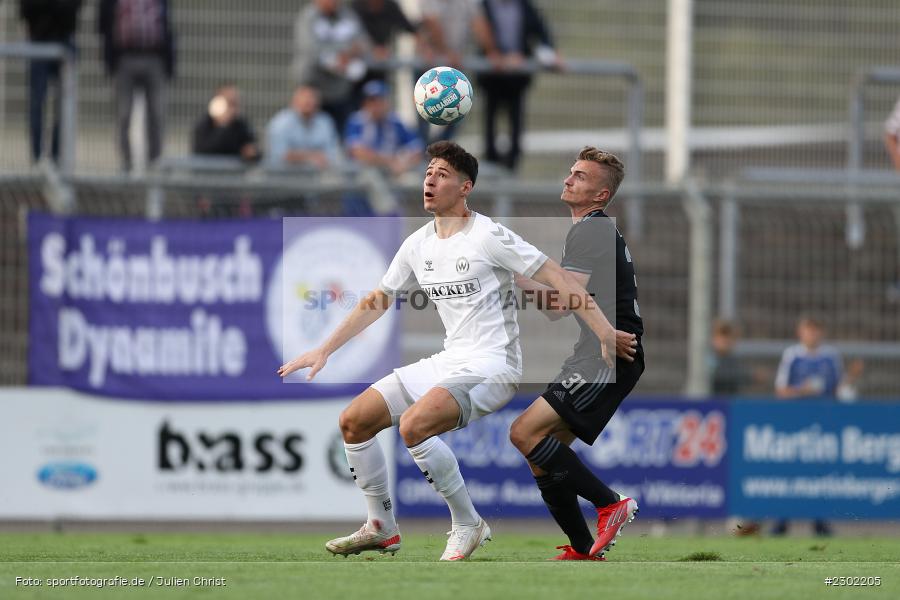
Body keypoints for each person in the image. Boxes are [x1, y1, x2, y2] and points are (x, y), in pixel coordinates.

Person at [278, 141, 618, 561]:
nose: (430, 180)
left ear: (465, 187)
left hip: (495, 365)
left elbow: (558, 277)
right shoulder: (417, 245)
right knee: (354, 422)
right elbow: (377, 300)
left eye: (441, 174)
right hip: (450, 360)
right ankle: (382, 527)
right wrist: (324, 349)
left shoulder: (490, 235)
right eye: (427, 173)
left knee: (415, 426)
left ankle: (467, 524)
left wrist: (604, 331)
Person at [508, 147, 644, 561]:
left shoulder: (589, 230)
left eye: (581, 176)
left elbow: (558, 306)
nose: (569, 179)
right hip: (602, 351)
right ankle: (584, 548)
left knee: (523, 433)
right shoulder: (594, 230)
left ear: (601, 195)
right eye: (571, 172)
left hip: (606, 355)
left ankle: (611, 503)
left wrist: (510, 270)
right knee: (541, 455)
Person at [772, 314, 864, 537]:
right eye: (808, 329)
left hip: (823, 424)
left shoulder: (831, 357)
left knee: (819, 472)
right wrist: (802, 391)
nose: (812, 334)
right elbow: (781, 391)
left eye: (816, 329)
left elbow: (837, 390)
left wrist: (851, 377)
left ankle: (819, 520)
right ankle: (781, 520)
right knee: (791, 471)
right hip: (796, 424)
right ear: (800, 332)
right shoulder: (792, 356)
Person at [477, 0, 562, 171]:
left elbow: (541, 32)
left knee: (516, 123)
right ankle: (491, 165)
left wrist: (551, 54)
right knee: (489, 122)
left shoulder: (525, 6)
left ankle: (511, 168)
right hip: (492, 76)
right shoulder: (483, 6)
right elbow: (478, 32)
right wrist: (497, 56)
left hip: (517, 79)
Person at [98, 0, 176, 172]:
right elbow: (104, 24)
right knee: (123, 114)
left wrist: (169, 62)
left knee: (157, 114)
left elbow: (167, 24)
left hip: (154, 57)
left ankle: (155, 163)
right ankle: (126, 163)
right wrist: (109, 58)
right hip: (124, 57)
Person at [417, 0, 501, 143]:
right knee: (424, 112)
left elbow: (479, 24)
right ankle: (422, 152)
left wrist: (491, 52)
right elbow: (431, 23)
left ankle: (438, 150)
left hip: (454, 66)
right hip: (429, 68)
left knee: (460, 108)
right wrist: (446, 53)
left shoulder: (469, 2)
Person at [292, 0, 370, 136]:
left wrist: (348, 55)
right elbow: (309, 49)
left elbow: (363, 43)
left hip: (341, 90)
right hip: (314, 87)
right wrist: (336, 58)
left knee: (341, 132)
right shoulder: (309, 17)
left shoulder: (348, 16)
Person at [19, 0, 83, 165]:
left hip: (64, 40)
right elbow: (26, 9)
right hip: (38, 39)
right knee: (37, 102)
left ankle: (56, 156)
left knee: (64, 104)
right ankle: (37, 158)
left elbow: (74, 7)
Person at [265, 85, 342, 170]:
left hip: (318, 176)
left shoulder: (325, 121)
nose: (309, 102)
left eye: (312, 99)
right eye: (305, 100)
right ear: (294, 102)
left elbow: (333, 153)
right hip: (284, 176)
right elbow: (280, 154)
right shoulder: (281, 123)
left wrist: (301, 156)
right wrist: (311, 157)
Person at [192, 83, 259, 162]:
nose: (232, 109)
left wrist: (250, 152)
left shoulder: (241, 125)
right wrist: (222, 126)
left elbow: (254, 148)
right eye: (230, 103)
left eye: (235, 104)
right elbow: (203, 151)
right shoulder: (204, 124)